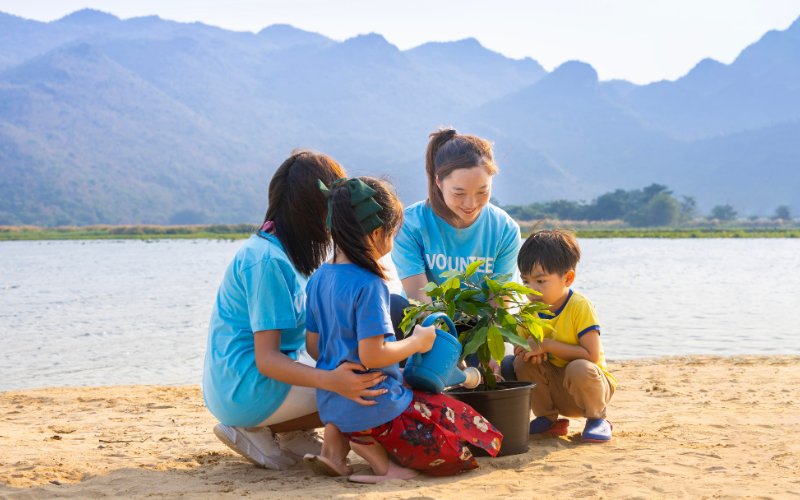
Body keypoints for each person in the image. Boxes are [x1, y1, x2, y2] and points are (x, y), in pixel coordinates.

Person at [303, 176, 503, 483]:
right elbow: (374, 355)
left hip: (332, 402)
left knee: (366, 403)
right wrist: (417, 343)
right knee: (459, 433)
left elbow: (315, 347)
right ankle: (384, 466)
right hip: (375, 406)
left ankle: (334, 451)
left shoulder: (318, 279)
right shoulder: (370, 284)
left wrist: (346, 361)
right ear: (377, 232)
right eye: (393, 231)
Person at [202, 151, 390, 471]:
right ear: (316, 209)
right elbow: (268, 358)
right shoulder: (267, 261)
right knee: (369, 381)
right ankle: (255, 430)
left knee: (350, 364)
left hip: (242, 379)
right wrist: (334, 380)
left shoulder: (284, 251)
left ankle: (293, 432)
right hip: (245, 387)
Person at [390, 127, 522, 335]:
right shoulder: (410, 225)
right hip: (425, 328)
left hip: (476, 328)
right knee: (393, 305)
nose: (471, 203)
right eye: (459, 193)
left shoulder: (505, 230)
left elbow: (498, 305)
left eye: (482, 191)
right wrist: (448, 351)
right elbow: (420, 302)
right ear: (438, 182)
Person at [507, 225, 617, 443]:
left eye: (540, 281)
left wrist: (546, 345)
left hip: (589, 388)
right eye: (525, 281)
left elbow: (591, 356)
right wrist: (526, 351)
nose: (531, 290)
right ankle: (548, 419)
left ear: (568, 279)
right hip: (556, 391)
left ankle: (598, 419)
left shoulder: (579, 306)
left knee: (579, 367)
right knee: (519, 363)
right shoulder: (527, 312)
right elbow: (521, 345)